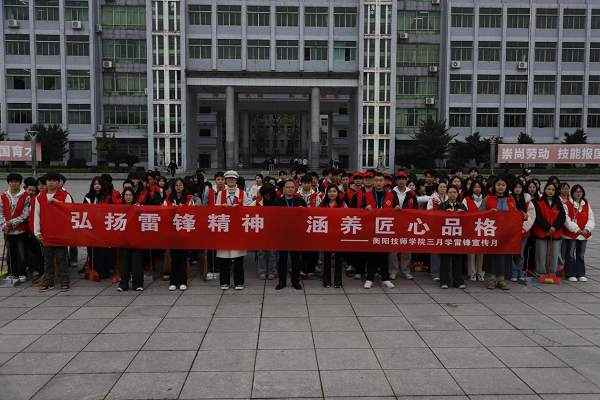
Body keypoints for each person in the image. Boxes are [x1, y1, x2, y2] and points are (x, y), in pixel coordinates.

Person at [34, 172, 73, 292]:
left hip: (60, 233)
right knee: (48, 260)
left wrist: (58, 203)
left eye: (54, 180)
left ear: (58, 182)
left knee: (62, 259)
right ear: (46, 182)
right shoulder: (39, 197)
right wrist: (37, 232)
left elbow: (70, 211)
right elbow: (36, 215)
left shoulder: (65, 196)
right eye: (49, 180)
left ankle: (64, 282)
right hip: (46, 233)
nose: (51, 183)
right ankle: (48, 283)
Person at [360, 172, 396, 290]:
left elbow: (396, 209)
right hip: (371, 229)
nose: (378, 182)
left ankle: (385, 278)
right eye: (376, 180)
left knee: (384, 255)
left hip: (385, 229)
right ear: (373, 182)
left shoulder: (391, 195)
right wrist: (365, 208)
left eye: (381, 180)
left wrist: (397, 208)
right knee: (371, 255)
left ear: (385, 182)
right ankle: (369, 278)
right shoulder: (367, 195)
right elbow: (360, 209)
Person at [479, 177, 515, 290]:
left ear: (506, 187)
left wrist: (524, 216)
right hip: (492, 231)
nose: (500, 187)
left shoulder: (511, 199)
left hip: (506, 232)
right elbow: (480, 212)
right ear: (494, 186)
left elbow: (515, 214)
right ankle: (492, 279)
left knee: (504, 255)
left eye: (503, 185)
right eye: (498, 184)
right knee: (493, 255)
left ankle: (502, 280)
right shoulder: (488, 198)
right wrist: (489, 212)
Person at [217, 171, 249, 290]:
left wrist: (239, 208)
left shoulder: (242, 193)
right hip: (224, 227)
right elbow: (215, 208)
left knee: (238, 257)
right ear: (226, 180)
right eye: (228, 178)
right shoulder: (221, 194)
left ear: (236, 180)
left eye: (233, 178)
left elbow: (247, 208)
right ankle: (224, 282)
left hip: (238, 228)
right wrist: (222, 207)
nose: (230, 180)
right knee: (223, 256)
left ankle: (239, 282)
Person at [273, 179, 307, 290]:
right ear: (283, 189)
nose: (290, 189)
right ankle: (282, 281)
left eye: (292, 187)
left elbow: (307, 218)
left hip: (296, 235)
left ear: (295, 189)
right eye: (288, 187)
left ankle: (295, 281)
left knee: (296, 259)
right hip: (282, 235)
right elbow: (272, 217)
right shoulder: (277, 202)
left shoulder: (300, 202)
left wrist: (303, 212)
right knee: (282, 259)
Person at [164, 178, 194, 291]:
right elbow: (163, 213)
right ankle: (173, 281)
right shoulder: (168, 199)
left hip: (184, 230)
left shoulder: (189, 199)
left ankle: (183, 281)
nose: (178, 187)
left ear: (184, 186)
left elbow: (193, 213)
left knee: (182, 257)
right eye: (176, 185)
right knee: (174, 257)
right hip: (172, 231)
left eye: (180, 185)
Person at [0, 173, 31, 282]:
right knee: (10, 253)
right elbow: (1, 212)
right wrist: (4, 224)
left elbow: (25, 214)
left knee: (21, 253)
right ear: (8, 182)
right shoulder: (4, 196)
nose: (14, 184)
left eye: (16, 182)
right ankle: (12, 273)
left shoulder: (26, 196)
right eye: (12, 181)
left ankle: (22, 272)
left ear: (20, 183)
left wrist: (12, 222)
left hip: (21, 230)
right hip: (7, 230)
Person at [533, 182, 566, 282]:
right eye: (549, 189)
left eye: (553, 190)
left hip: (555, 233)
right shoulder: (539, 202)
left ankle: (552, 273)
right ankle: (540, 273)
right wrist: (548, 228)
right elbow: (538, 217)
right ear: (545, 190)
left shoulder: (559, 203)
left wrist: (554, 227)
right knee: (541, 254)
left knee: (554, 254)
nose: (550, 191)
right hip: (542, 232)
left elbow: (562, 217)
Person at [390, 170, 418, 281]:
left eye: (403, 179)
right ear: (396, 181)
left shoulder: (411, 193)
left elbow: (416, 209)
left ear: (406, 180)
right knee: (393, 250)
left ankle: (406, 271)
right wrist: (394, 208)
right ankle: (393, 271)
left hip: (407, 224)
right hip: (394, 225)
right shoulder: (391, 193)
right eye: (399, 179)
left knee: (406, 249)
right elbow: (387, 208)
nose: (401, 181)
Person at [563, 184, 594, 282]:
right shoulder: (567, 205)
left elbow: (591, 218)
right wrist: (576, 229)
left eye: (580, 192)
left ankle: (581, 274)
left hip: (584, 234)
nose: (578, 193)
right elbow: (566, 220)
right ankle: (570, 274)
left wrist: (587, 229)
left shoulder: (586, 204)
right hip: (572, 234)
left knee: (581, 254)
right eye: (576, 192)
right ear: (572, 193)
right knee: (570, 254)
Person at [437, 184, 467, 289]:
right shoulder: (442, 206)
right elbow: (436, 220)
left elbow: (469, 221)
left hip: (458, 237)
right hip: (445, 237)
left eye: (454, 192)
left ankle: (458, 281)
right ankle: (444, 281)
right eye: (450, 192)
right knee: (445, 260)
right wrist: (444, 214)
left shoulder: (462, 206)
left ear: (458, 194)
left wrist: (463, 214)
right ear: (447, 194)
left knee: (458, 260)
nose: (452, 194)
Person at [117, 187, 144, 292]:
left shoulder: (138, 207)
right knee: (124, 262)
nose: (128, 197)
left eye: (130, 195)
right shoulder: (119, 209)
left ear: (134, 196)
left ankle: (137, 284)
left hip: (136, 239)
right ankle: (123, 284)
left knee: (137, 262)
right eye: (126, 195)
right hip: (124, 239)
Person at [320, 185, 346, 288]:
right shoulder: (323, 204)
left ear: (337, 193)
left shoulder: (343, 204)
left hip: (338, 235)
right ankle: (326, 281)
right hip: (327, 235)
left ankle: (338, 282)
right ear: (327, 193)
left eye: (334, 191)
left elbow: (348, 216)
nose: (332, 193)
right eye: (330, 191)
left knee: (338, 259)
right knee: (326, 258)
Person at [510, 180, 536, 282]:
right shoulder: (509, 200)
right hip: (511, 232)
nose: (517, 189)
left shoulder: (528, 201)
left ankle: (519, 272)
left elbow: (532, 216)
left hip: (523, 231)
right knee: (511, 253)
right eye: (516, 187)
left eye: (520, 187)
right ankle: (513, 273)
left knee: (520, 254)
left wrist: (523, 228)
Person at [251, 183, 278, 280]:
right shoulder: (258, 202)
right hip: (261, 230)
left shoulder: (278, 202)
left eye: (269, 195)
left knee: (272, 252)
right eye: (266, 194)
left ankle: (272, 271)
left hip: (273, 231)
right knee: (261, 252)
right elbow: (247, 210)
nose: (268, 197)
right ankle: (262, 271)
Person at [462, 180, 485, 281]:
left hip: (483, 229)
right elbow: (464, 214)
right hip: (470, 229)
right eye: (475, 187)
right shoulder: (466, 199)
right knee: (471, 251)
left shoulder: (485, 199)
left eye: (479, 187)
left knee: (481, 251)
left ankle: (480, 273)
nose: (477, 189)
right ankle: (472, 273)